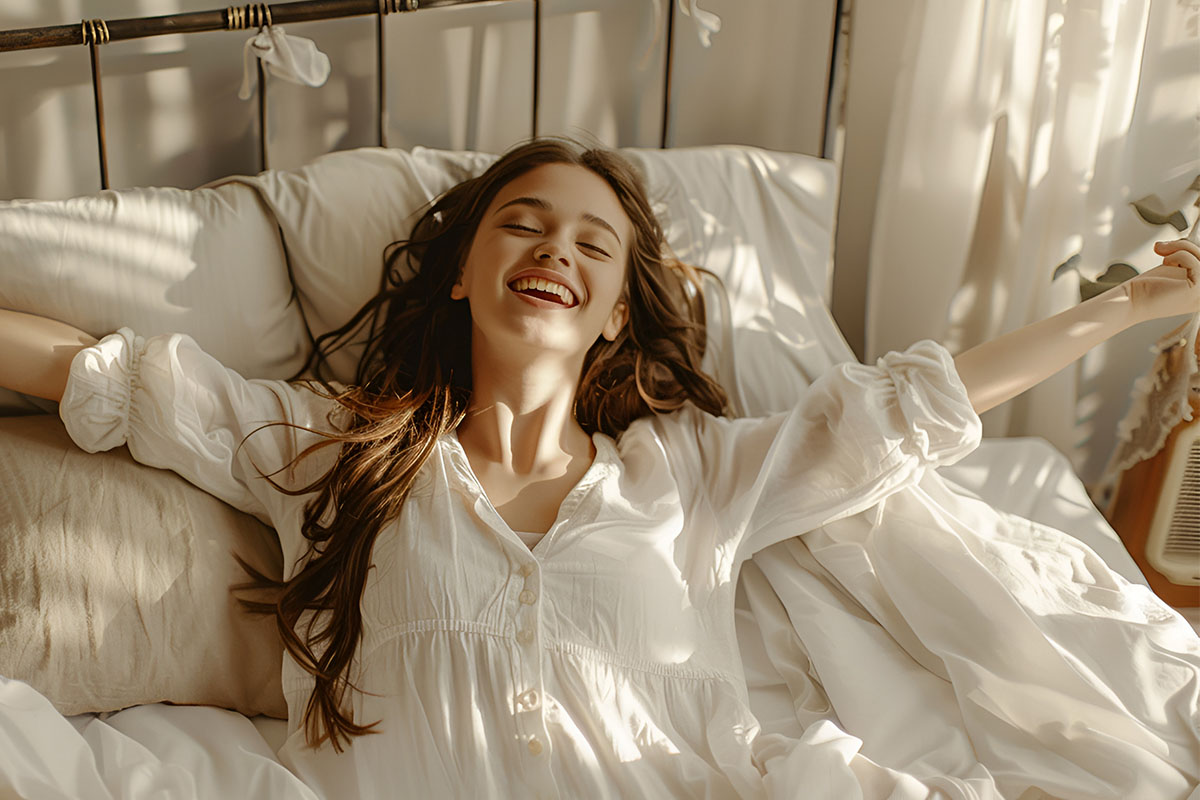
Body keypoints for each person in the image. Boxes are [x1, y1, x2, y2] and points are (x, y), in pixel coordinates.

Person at [0, 138, 1198, 799]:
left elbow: (895, 410)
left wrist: (1128, 308)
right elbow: (114, 378)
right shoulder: (337, 451)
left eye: (593, 241)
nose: (554, 250)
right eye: (521, 221)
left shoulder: (687, 474)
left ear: (618, 313)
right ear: (465, 271)